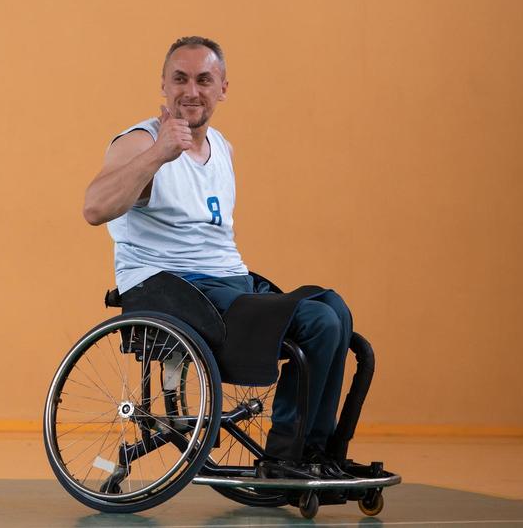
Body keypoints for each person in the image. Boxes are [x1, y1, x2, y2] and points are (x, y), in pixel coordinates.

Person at [82, 35, 354, 473]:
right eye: (180, 79)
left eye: (204, 80)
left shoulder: (223, 149)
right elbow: (94, 208)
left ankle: (316, 451)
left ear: (223, 88)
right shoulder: (138, 142)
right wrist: (158, 155)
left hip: (229, 283)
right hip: (172, 288)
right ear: (164, 86)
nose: (191, 91)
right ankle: (286, 457)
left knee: (334, 311)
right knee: (318, 322)